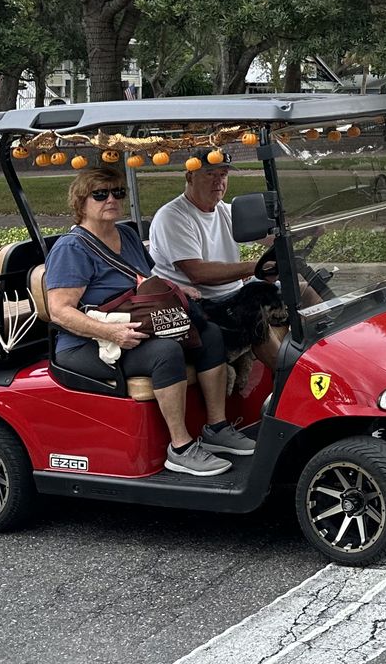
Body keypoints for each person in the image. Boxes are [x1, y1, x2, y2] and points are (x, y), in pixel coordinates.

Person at [42, 167, 252, 477]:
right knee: (165, 352)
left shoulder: (125, 234)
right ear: (81, 202)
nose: (111, 199)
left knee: (209, 334)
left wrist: (179, 291)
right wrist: (110, 332)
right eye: (100, 194)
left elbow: (149, 278)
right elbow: (59, 310)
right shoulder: (71, 249)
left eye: (118, 193)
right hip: (88, 343)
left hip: (138, 324)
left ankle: (217, 427)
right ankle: (180, 448)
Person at [149, 156, 317, 375]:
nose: (218, 182)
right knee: (251, 309)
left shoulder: (225, 210)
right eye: (210, 174)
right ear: (190, 176)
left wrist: (306, 230)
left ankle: (322, 353)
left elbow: (267, 238)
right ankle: (293, 377)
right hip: (197, 304)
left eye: (223, 174)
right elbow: (197, 273)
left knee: (303, 289)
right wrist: (254, 267)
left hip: (233, 293)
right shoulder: (172, 217)